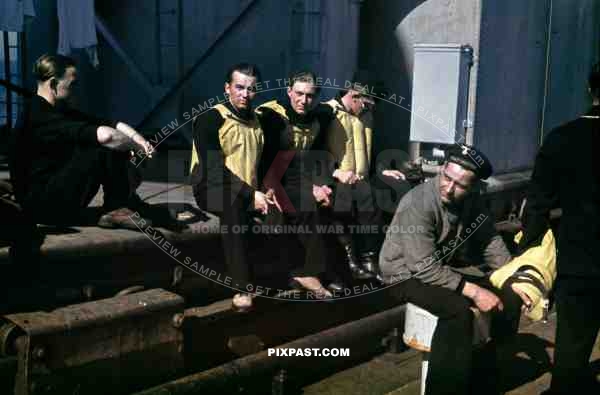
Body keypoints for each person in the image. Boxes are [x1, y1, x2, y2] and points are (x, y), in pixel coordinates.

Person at [379, 145, 529, 395]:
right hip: (404, 273)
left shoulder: (472, 200)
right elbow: (423, 267)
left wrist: (512, 278)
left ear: (473, 187)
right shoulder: (418, 203)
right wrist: (474, 292)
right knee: (458, 312)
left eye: (459, 184)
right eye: (446, 177)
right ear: (442, 169)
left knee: (508, 297)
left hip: (442, 268)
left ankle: (484, 380)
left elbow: (490, 242)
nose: (449, 188)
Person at [518, 63, 600, 394]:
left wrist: (530, 251)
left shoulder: (561, 138)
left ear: (590, 91)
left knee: (570, 348)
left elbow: (536, 204)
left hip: (578, 260)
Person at [11, 54, 156, 230]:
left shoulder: (56, 109)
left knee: (108, 138)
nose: (77, 89)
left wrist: (141, 141)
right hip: (41, 206)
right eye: (73, 84)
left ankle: (124, 203)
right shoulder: (38, 115)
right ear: (54, 85)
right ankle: (117, 207)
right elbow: (107, 137)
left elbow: (112, 124)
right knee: (103, 145)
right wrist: (136, 148)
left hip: (51, 195)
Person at [190, 63, 279, 312]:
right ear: (227, 88)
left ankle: (291, 273)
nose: (244, 94)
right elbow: (215, 170)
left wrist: (267, 189)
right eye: (239, 87)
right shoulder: (210, 118)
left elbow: (262, 163)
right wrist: (253, 194)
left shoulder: (258, 122)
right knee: (233, 205)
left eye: (250, 89)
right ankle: (242, 286)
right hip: (212, 187)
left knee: (285, 205)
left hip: (247, 189)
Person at [256, 70, 337, 296]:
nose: (304, 100)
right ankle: (303, 272)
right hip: (267, 176)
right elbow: (266, 161)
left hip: (293, 174)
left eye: (310, 96)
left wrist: (321, 184)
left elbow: (318, 156)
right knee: (301, 204)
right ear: (289, 91)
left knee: (331, 200)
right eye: (299, 93)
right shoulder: (271, 117)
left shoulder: (315, 120)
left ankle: (327, 269)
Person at [323, 71, 408, 281]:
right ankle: (355, 259)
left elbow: (369, 147)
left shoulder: (366, 115)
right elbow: (313, 150)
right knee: (360, 199)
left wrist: (381, 169)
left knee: (402, 188)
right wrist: (334, 171)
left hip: (362, 177)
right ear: (354, 95)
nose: (370, 109)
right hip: (337, 179)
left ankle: (384, 255)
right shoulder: (327, 112)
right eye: (367, 104)